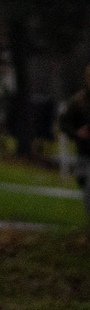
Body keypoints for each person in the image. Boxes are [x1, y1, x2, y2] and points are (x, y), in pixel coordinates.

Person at [59, 65, 90, 222]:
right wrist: (77, 133)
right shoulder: (78, 102)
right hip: (84, 152)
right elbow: (64, 124)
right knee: (85, 187)